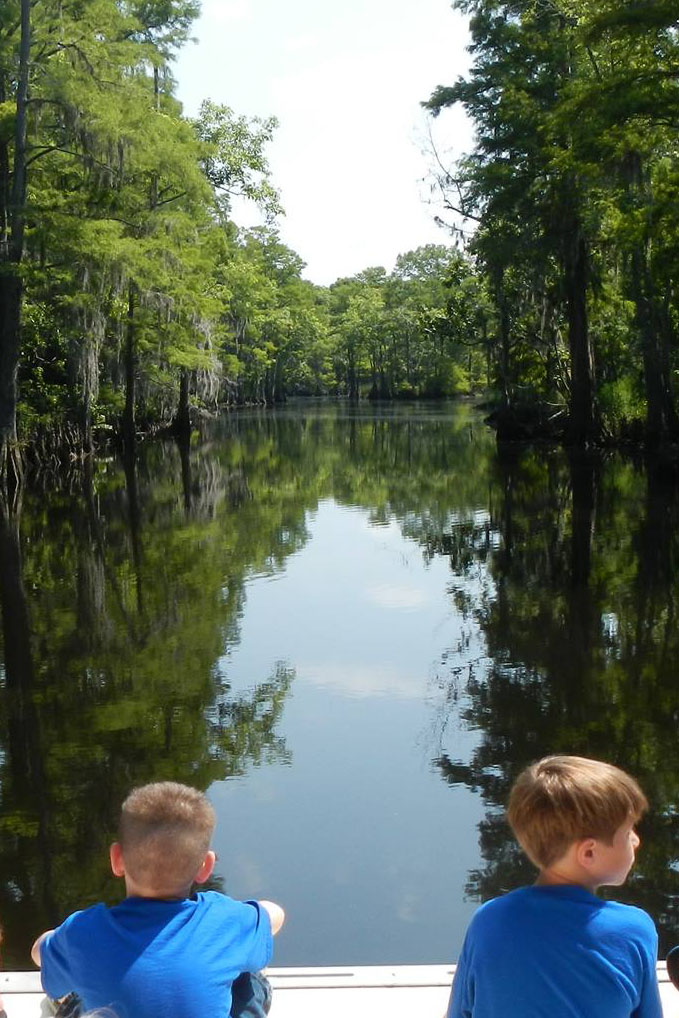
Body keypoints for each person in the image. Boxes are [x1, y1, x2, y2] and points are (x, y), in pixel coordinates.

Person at [31, 781, 285, 1018]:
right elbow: (276, 914)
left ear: (116, 859)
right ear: (205, 866)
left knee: (73, 988)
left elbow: (37, 952)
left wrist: (59, 940)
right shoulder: (225, 920)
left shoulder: (83, 932)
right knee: (250, 978)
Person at [447, 755, 662, 1018]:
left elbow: (460, 1013)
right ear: (589, 853)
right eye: (628, 833)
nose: (637, 841)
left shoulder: (489, 919)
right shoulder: (633, 928)